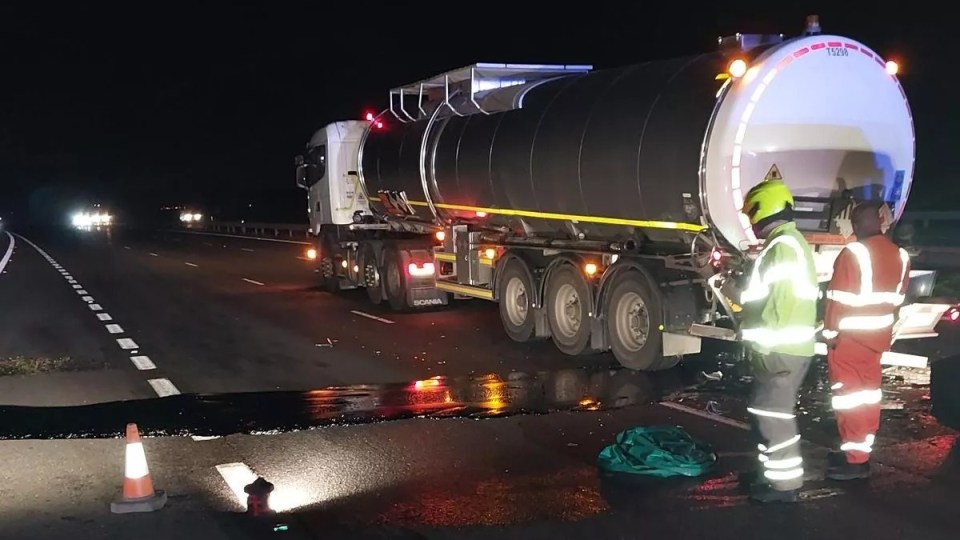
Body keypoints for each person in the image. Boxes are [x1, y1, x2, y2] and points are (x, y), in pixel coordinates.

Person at [738, 178, 819, 503]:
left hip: (779, 351)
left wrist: (761, 344)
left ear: (764, 208)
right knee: (766, 414)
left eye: (752, 214)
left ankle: (784, 489)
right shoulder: (788, 243)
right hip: (785, 350)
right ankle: (769, 477)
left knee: (775, 419)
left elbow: (779, 305)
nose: (751, 223)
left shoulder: (783, 247)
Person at [821, 201, 910, 480]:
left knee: (849, 402)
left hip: (849, 341)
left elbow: (837, 300)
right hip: (877, 340)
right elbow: (897, 299)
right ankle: (858, 453)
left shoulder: (854, 253)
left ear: (857, 224)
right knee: (867, 399)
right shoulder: (901, 255)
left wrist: (830, 335)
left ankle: (855, 462)